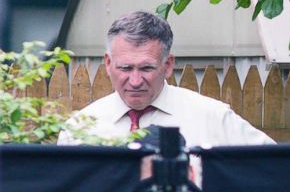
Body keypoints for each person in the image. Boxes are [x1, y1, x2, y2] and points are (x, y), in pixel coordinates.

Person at [58, 11, 274, 147]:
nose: (135, 81)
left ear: (168, 65)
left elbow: (274, 167)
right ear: (107, 63)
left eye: (146, 68)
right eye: (125, 68)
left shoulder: (213, 118)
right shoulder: (79, 128)